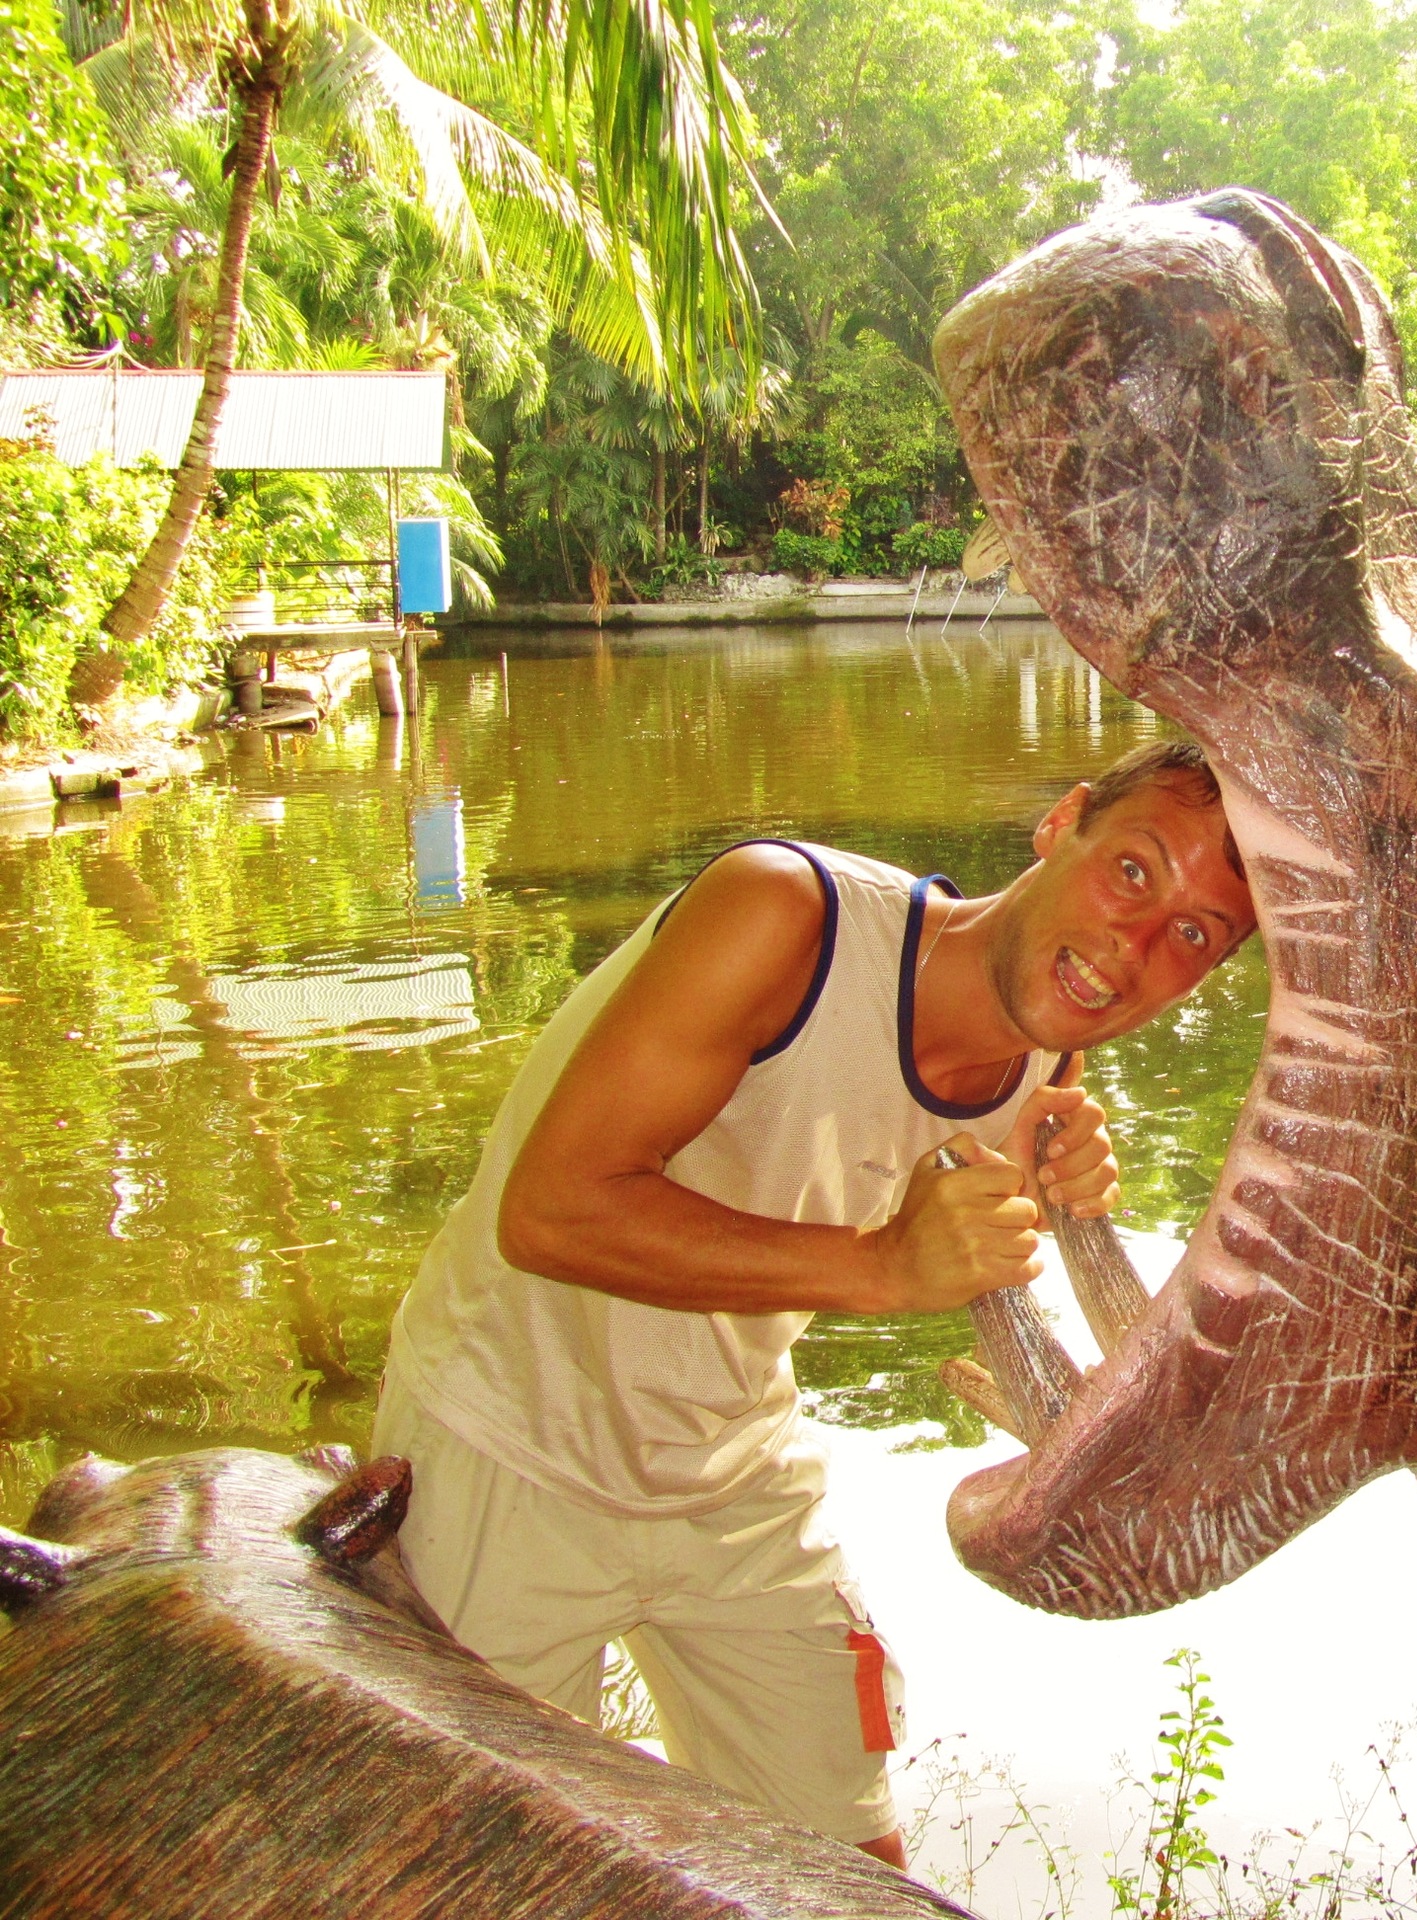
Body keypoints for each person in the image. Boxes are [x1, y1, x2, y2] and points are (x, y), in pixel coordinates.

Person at [372, 738, 1257, 1866]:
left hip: (731, 1472)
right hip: (503, 1449)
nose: (1134, 946)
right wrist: (883, 1266)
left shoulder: (1046, 1057)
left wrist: (1035, 1188)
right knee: (495, 1874)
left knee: (849, 1876)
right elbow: (549, 1214)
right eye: (1133, 870)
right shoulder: (785, 918)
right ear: (1061, 822)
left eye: (1194, 934)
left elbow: (933, 1183)